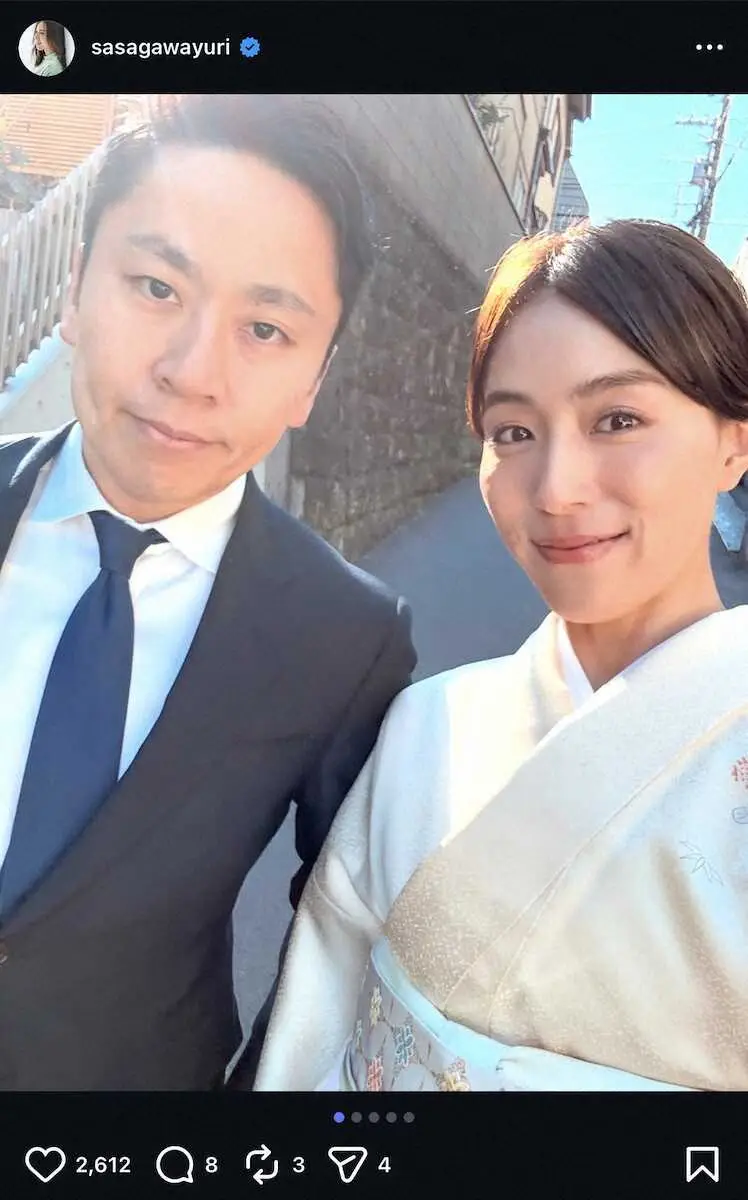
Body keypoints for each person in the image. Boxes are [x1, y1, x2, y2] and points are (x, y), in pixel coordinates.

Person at [255, 219, 748, 1092]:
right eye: (513, 432)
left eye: (618, 419)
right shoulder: (428, 722)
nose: (555, 488)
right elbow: (319, 1012)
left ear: (733, 442)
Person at [0, 94, 416, 1090]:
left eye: (265, 329)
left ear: (315, 378)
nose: (192, 373)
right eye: (155, 286)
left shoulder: (343, 639)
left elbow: (342, 935)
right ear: (73, 289)